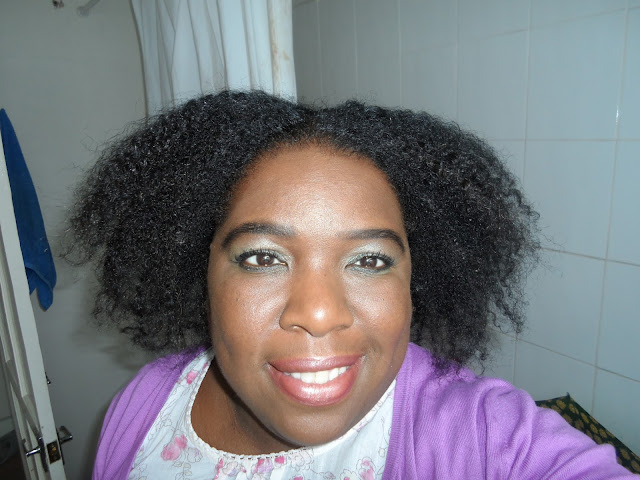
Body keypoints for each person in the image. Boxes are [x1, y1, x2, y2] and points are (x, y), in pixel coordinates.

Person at [68, 91, 638, 479]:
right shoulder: (147, 405)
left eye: (369, 260)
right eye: (263, 257)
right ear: (202, 271)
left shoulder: (482, 436)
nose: (319, 313)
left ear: (417, 278)